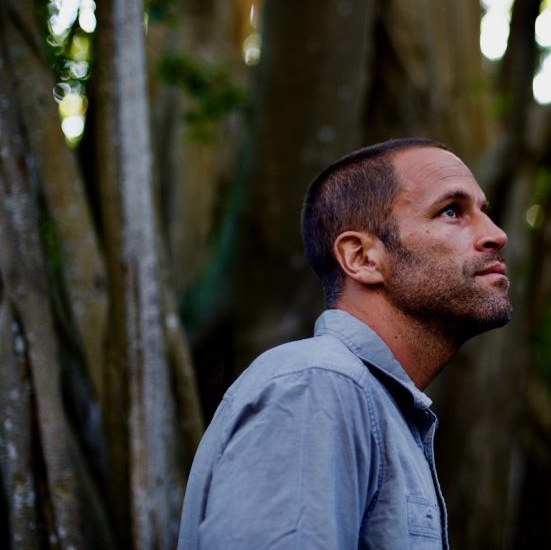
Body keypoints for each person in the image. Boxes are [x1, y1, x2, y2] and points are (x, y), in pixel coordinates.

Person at [178, 138, 512, 549]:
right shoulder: (318, 386)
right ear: (362, 258)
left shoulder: (376, 406)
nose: (496, 235)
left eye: (484, 212)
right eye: (451, 212)